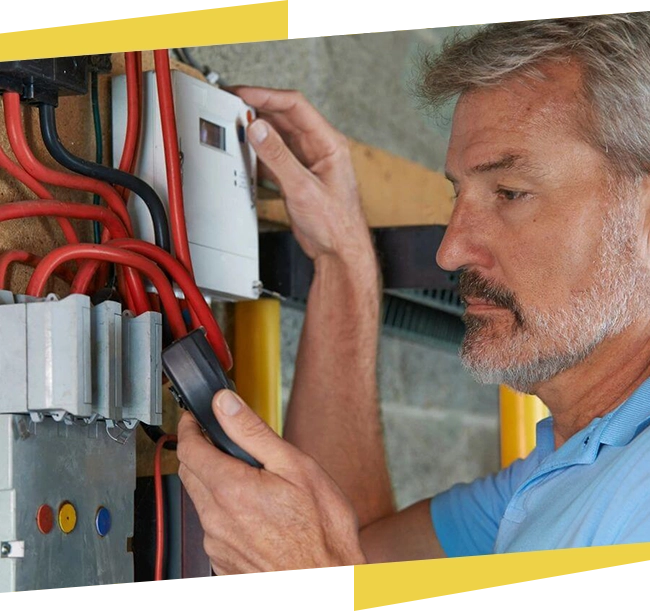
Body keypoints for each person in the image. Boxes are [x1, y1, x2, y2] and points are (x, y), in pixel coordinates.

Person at [176, 12, 650, 575]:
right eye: (460, 194)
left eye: (510, 192)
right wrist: (343, 259)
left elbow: (328, 569)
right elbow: (361, 550)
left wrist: (296, 582)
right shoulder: (566, 468)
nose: (450, 253)